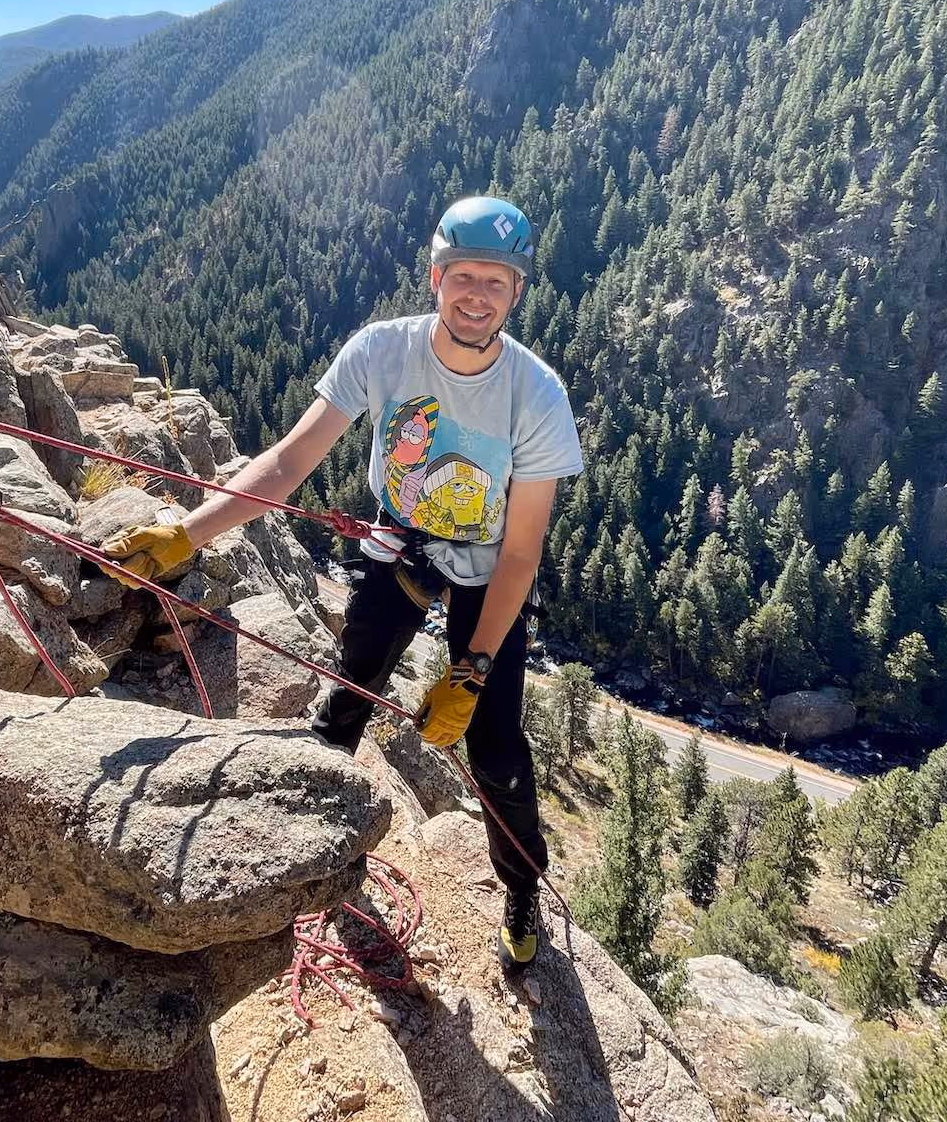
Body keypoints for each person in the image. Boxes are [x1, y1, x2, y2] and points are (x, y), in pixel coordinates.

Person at [97, 195, 584, 968]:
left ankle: (522, 886)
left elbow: (521, 553)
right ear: (436, 276)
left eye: (496, 281)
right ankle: (307, 843)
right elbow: (289, 462)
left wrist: (471, 669)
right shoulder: (382, 351)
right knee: (348, 695)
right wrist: (185, 534)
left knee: (494, 748)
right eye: (464, 276)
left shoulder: (537, 393)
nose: (477, 295)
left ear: (517, 292)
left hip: (491, 566)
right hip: (399, 541)